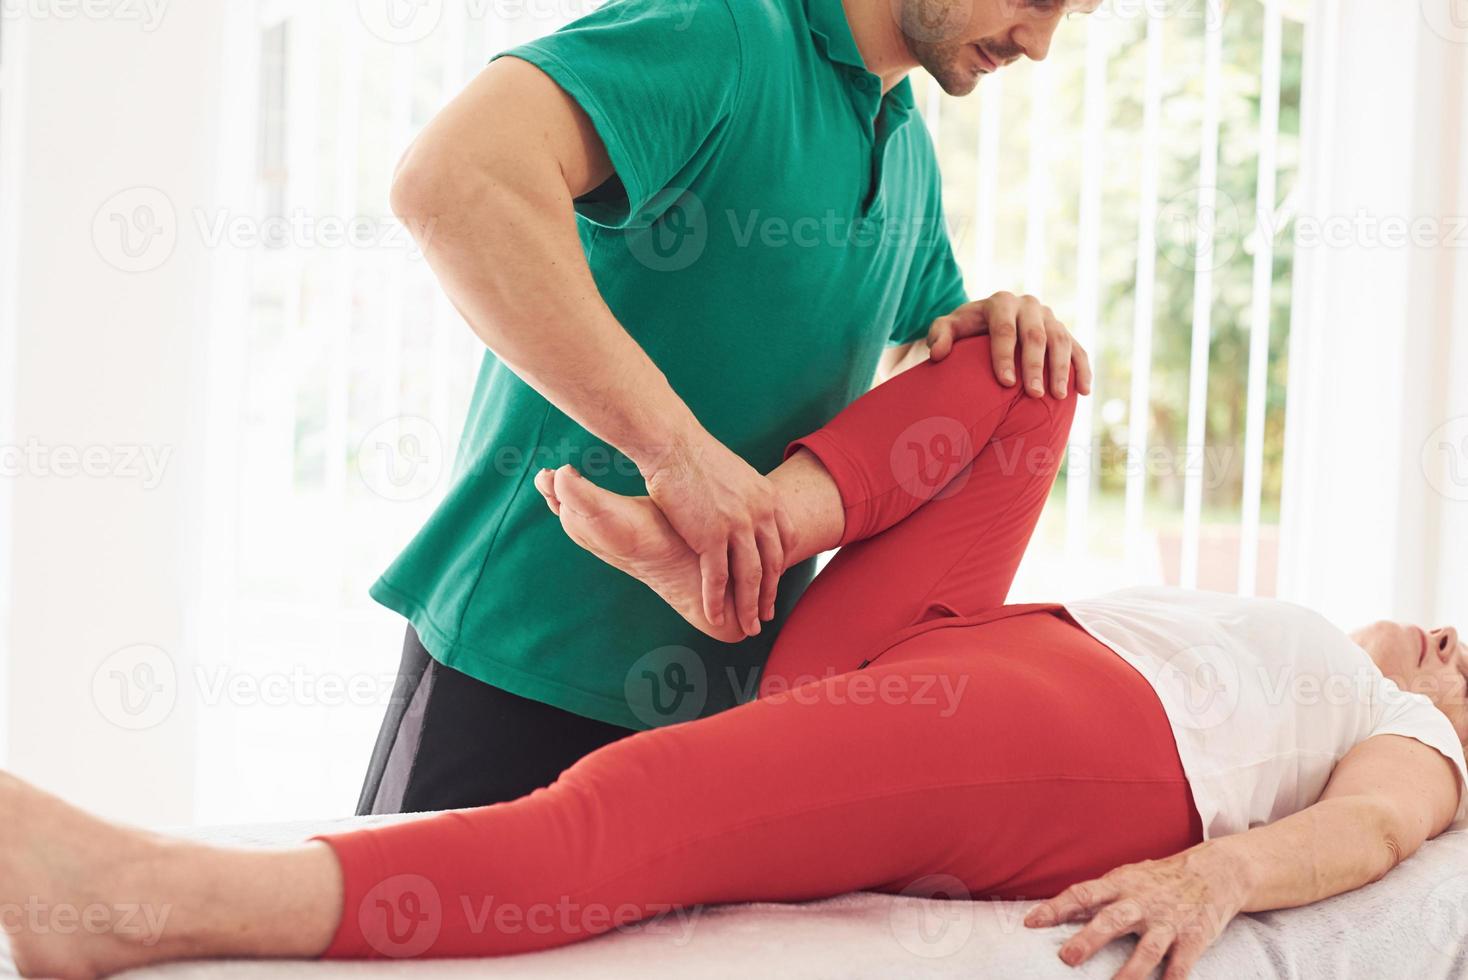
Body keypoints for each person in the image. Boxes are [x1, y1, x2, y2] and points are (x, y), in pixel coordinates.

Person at [6, 337, 1464, 980]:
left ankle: (143, 902)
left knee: (627, 821)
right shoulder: (1321, 651)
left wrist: (1220, 877)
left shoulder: (1414, 732)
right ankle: (735, 539)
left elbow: (1378, 824)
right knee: (1031, 374)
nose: (1458, 639)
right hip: (955, 662)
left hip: (1067, 748)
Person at [355, 0, 1097, 813]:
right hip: (520, 667)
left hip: (718, 716)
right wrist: (676, 453)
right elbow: (454, 180)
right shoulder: (724, 30)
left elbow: (918, 379)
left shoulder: (903, 144)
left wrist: (996, 336)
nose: (1041, 43)